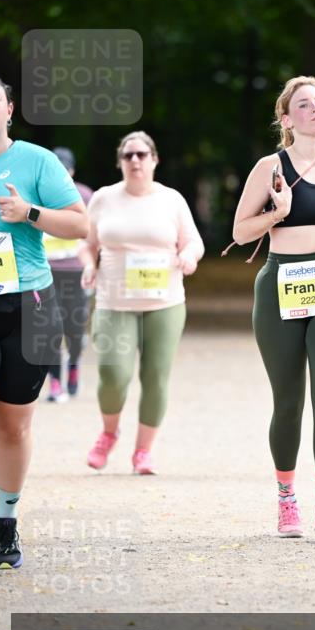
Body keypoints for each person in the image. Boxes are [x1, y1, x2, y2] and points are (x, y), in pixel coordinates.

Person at [232, 76, 315, 538]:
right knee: (288, 400)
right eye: (304, 104)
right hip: (280, 281)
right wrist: (277, 213)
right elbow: (241, 232)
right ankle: (287, 501)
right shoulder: (271, 165)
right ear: (287, 119)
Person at [0, 76, 88, 569]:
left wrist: (28, 212)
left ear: (9, 110)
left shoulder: (37, 161)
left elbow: (79, 223)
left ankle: (5, 517)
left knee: (14, 423)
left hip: (27, 301)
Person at [79, 131, 204, 475]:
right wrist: (89, 266)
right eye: (128, 155)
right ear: (120, 161)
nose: (135, 160)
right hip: (113, 301)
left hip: (164, 302)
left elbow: (193, 241)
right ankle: (108, 433)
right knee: (113, 375)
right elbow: (86, 243)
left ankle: (143, 452)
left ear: (154, 160)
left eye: (142, 154)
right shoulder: (103, 199)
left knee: (156, 377)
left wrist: (189, 256)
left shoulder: (171, 199)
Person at [44, 147, 94, 402]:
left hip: (76, 272)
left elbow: (95, 236)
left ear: (72, 171)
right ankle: (55, 383)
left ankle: (73, 364)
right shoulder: (36, 193)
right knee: (51, 327)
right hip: (46, 272)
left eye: (65, 167)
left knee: (74, 328)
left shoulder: (84, 196)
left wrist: (92, 265)